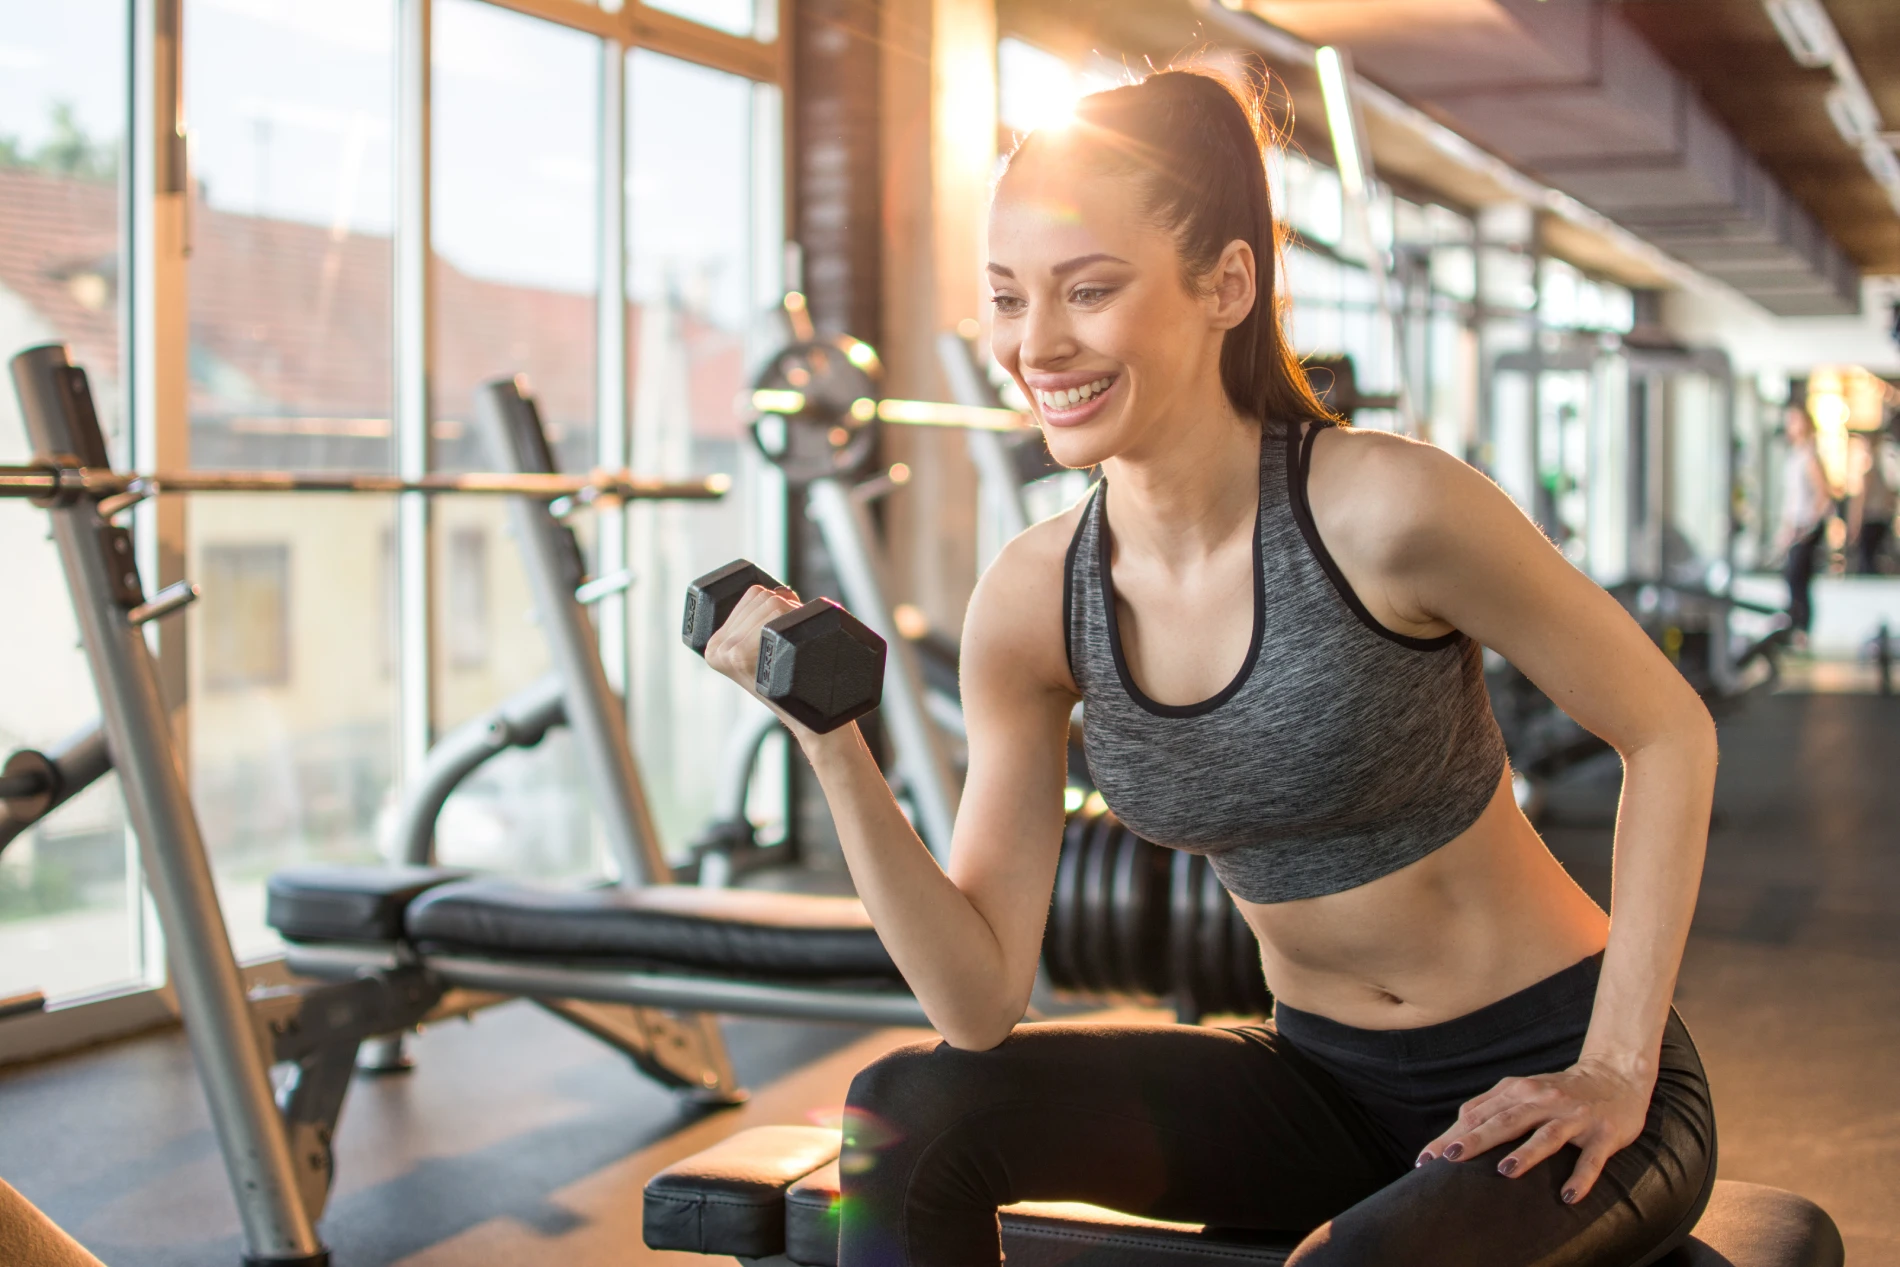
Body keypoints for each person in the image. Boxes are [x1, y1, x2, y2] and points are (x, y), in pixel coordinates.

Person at [703, 69, 1717, 1267]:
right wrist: (831, 738)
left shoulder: (1385, 510)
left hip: (1554, 1073)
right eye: (1007, 298)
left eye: (1090, 290)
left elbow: (1667, 733)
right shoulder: (1035, 597)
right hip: (1316, 1079)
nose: (1039, 344)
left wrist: (1613, 1067)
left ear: (1226, 283)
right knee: (903, 1112)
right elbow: (974, 1001)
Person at [1778, 405, 1835, 643]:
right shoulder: (1794, 455)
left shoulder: (1809, 456)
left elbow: (1823, 493)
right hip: (1795, 525)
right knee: (1791, 577)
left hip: (1807, 527)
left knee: (1797, 576)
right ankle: (1794, 626)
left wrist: (1808, 525)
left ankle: (1801, 630)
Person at [1847, 429, 1893, 575]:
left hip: (1872, 517)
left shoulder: (1871, 473)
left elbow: (1861, 500)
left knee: (1867, 557)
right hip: (1882, 517)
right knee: (1872, 555)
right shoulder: (1882, 472)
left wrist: (1855, 523)